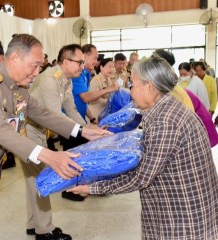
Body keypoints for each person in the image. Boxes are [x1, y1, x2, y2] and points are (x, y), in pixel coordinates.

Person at [0, 34, 111, 240]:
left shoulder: (17, 87)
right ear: (15, 58)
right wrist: (48, 155)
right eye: (35, 65)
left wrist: (82, 131)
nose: (38, 72)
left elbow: (43, 113)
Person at [69, 55, 218, 239]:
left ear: (150, 86)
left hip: (182, 219)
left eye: (133, 85)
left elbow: (141, 177)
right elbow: (137, 121)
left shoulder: (165, 122)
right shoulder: (166, 107)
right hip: (176, 207)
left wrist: (92, 188)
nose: (130, 91)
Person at [22, 44, 89, 235]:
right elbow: (53, 116)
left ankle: (32, 224)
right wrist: (83, 133)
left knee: (32, 178)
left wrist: (87, 130)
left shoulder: (65, 81)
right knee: (41, 176)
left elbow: (71, 110)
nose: (82, 66)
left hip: (38, 130)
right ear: (66, 61)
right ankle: (44, 229)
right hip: (28, 130)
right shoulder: (50, 78)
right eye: (79, 62)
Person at [72, 44, 118, 123]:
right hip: (72, 121)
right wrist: (108, 89)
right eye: (95, 58)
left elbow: (83, 102)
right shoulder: (77, 74)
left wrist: (92, 118)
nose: (96, 62)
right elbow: (86, 98)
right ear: (85, 56)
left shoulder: (86, 74)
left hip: (81, 119)